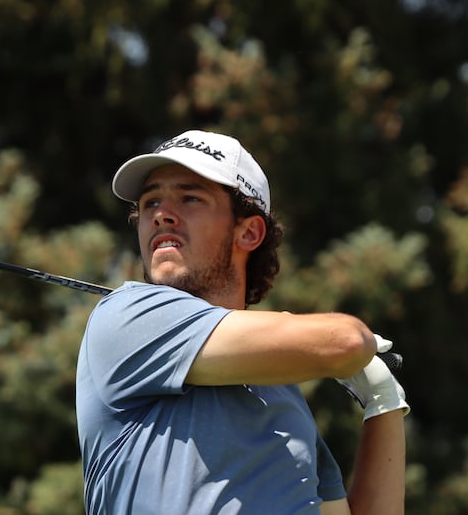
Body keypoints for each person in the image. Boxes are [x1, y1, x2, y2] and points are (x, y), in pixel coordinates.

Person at [75, 129, 410, 514]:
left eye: (190, 198)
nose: (161, 214)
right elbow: (346, 342)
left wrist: (384, 405)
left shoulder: (282, 393)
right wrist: (345, 345)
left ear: (249, 231)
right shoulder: (127, 316)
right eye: (151, 202)